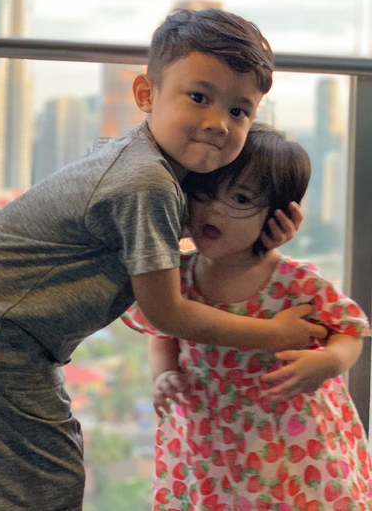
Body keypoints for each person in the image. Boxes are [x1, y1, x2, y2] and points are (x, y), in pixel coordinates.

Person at [0, 9, 325, 511]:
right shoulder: (147, 183)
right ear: (146, 94)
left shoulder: (149, 161)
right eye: (199, 97)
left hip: (5, 332)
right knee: (39, 491)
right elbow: (166, 312)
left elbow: (179, 235)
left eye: (240, 111)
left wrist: (257, 237)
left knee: (47, 478)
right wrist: (275, 334)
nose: (218, 123)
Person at [123, 123, 372, 511]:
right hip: (209, 444)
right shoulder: (178, 276)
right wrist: (164, 373)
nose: (214, 209)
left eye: (240, 198)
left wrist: (329, 362)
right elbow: (164, 331)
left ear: (279, 216)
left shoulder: (294, 281)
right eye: (204, 192)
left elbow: (349, 329)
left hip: (293, 443)